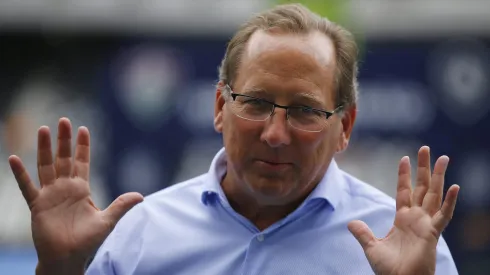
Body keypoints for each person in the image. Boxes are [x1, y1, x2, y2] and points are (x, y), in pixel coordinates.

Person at [8, 3, 460, 275]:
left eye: (304, 111)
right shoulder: (139, 238)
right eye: (256, 102)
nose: (275, 133)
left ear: (345, 126)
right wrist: (61, 270)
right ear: (220, 107)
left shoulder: (406, 250)